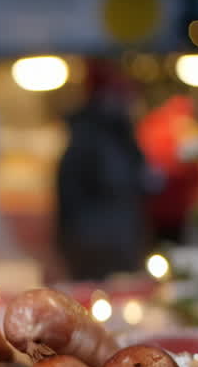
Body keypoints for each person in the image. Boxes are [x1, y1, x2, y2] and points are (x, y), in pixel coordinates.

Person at [57, 61, 152, 279]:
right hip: (100, 243)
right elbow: (114, 180)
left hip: (112, 238)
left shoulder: (114, 131)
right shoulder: (99, 134)